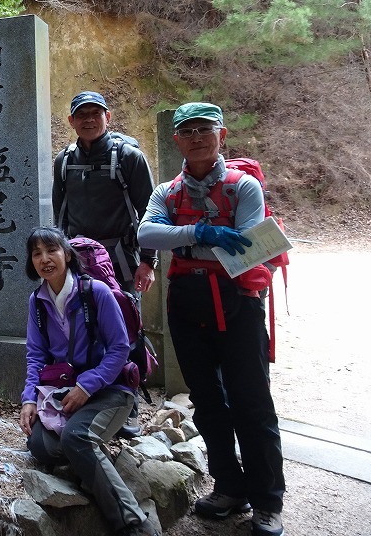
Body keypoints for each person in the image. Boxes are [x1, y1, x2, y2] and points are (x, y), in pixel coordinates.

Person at [138, 102, 284, 536]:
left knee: (251, 402)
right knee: (207, 400)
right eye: (188, 131)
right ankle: (229, 486)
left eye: (205, 129)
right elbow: (146, 233)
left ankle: (267, 501)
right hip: (186, 305)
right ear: (177, 140)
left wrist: (180, 242)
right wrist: (200, 233)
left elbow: (246, 246)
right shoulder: (166, 192)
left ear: (221, 135)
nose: (197, 137)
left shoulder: (244, 188)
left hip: (238, 303)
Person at [19, 226, 157, 536]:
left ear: (67, 254)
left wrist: (87, 386)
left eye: (51, 250)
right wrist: (29, 399)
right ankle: (91, 462)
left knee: (75, 438)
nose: (45, 259)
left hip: (111, 389)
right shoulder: (37, 301)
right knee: (40, 446)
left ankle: (133, 522)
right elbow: (35, 355)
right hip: (66, 394)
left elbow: (120, 348)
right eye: (37, 253)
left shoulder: (96, 292)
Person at [53, 91, 158, 297]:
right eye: (82, 115)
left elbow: (150, 211)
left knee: (123, 314)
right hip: (78, 259)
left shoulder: (129, 157)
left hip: (121, 260)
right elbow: (59, 214)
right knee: (82, 315)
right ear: (71, 121)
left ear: (107, 117)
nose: (89, 119)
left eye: (96, 113)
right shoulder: (64, 161)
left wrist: (148, 261)